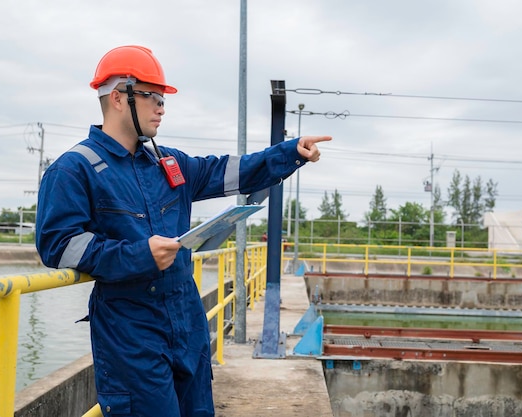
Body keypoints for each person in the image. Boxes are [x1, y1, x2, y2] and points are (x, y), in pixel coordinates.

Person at [35, 45, 331, 417]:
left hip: (186, 321)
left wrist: (291, 152)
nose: (162, 106)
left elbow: (232, 171)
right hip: (132, 331)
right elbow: (58, 245)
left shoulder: (169, 164)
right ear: (117, 98)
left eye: (163, 99)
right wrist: (139, 255)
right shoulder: (74, 169)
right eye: (153, 96)